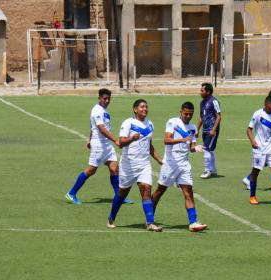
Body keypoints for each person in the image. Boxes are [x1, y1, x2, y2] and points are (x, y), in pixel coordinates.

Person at [65, 89, 133, 205]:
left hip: (106, 144)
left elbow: (93, 127)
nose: (107, 101)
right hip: (99, 145)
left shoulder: (104, 111)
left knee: (114, 168)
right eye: (104, 98)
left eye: (108, 99)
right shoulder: (97, 110)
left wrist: (89, 139)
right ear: (99, 98)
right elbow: (101, 128)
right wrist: (115, 140)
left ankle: (119, 197)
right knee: (91, 170)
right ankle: (71, 193)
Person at [107, 99, 163, 232]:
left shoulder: (150, 125)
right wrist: (132, 139)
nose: (145, 109)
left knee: (146, 190)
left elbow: (149, 145)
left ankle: (150, 223)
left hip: (144, 165)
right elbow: (120, 142)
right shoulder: (128, 123)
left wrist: (159, 160)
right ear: (135, 109)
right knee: (122, 193)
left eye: (146, 107)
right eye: (142, 107)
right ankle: (111, 217)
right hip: (128, 165)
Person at [151, 102, 208, 232]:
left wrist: (196, 148)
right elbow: (166, 140)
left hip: (184, 164)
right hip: (171, 163)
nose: (188, 116)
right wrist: (181, 140)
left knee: (188, 191)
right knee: (160, 190)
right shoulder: (173, 122)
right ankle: (149, 217)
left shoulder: (193, 127)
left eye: (190, 114)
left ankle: (193, 222)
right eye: (186, 114)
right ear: (180, 112)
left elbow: (191, 147)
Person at [196, 82, 222, 179]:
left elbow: (219, 116)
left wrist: (214, 130)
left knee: (206, 148)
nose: (200, 92)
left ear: (208, 92)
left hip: (212, 130)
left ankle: (207, 170)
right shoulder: (202, 103)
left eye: (202, 90)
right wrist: (197, 129)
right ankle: (213, 170)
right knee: (210, 150)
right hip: (205, 130)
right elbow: (201, 117)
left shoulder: (214, 101)